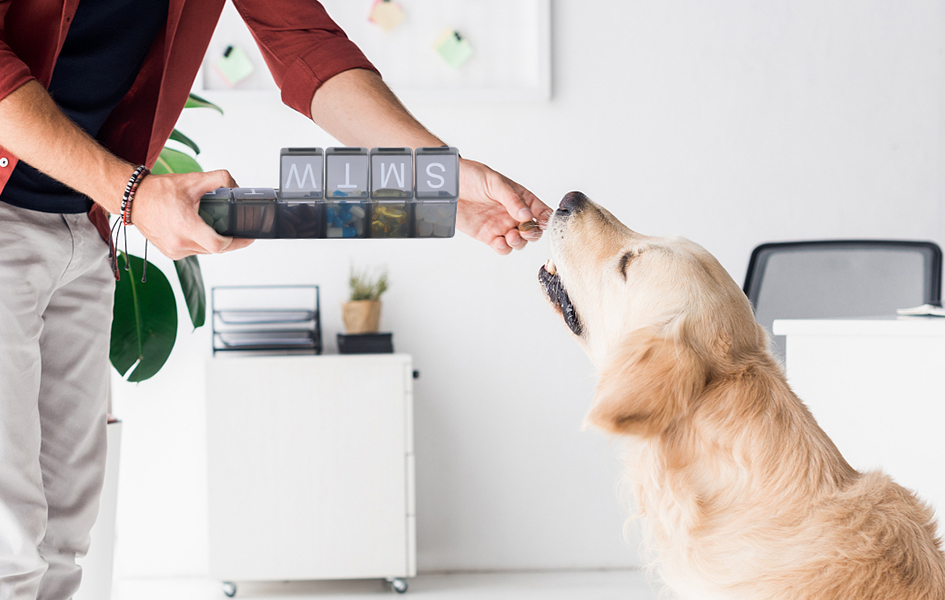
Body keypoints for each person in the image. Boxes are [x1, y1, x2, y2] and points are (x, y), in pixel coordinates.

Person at [0, 1, 552, 598]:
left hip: (81, 225)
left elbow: (308, 48)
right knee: (10, 544)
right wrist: (132, 191)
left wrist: (441, 178)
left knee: (62, 538)